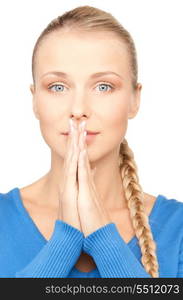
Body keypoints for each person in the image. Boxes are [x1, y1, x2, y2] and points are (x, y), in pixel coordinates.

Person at [0, 5, 183, 278]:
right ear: (35, 100)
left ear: (135, 99)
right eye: (58, 87)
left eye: (103, 86)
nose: (78, 108)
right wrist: (65, 240)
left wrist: (101, 235)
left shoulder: (177, 227)